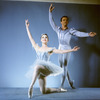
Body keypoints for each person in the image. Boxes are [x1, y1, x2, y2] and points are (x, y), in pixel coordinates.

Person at [25, 19, 80, 99]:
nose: (44, 38)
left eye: (46, 37)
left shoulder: (50, 49)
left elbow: (61, 51)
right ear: (41, 40)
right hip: (39, 72)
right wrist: (27, 27)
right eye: (43, 37)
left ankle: (31, 87)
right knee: (43, 91)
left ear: (48, 40)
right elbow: (31, 38)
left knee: (37, 66)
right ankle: (58, 90)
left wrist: (72, 50)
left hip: (45, 68)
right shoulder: (37, 48)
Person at [49, 4, 96, 89]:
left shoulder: (71, 30)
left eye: (66, 20)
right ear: (61, 22)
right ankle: (70, 82)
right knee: (61, 67)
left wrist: (88, 34)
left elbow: (79, 33)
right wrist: (50, 13)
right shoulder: (58, 29)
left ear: (67, 22)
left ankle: (61, 86)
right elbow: (52, 23)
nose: (65, 21)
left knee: (64, 67)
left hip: (67, 49)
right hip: (60, 48)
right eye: (63, 20)